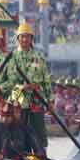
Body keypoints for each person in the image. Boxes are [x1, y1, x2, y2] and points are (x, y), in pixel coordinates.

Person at [4, 21, 52, 151]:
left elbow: (46, 79)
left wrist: (50, 99)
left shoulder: (39, 56)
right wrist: (21, 88)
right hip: (18, 103)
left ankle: (41, 158)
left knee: (39, 134)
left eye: (27, 36)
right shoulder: (12, 57)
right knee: (19, 133)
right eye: (22, 36)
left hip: (37, 101)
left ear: (32, 39)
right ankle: (22, 158)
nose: (25, 39)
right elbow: (9, 81)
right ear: (18, 39)